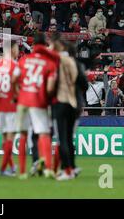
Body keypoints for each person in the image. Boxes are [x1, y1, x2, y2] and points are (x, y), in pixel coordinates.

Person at [13, 32, 59, 179]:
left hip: (23, 101)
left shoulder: (24, 60)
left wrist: (18, 93)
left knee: (23, 135)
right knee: (44, 134)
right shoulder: (49, 63)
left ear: (33, 46)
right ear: (45, 45)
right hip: (39, 102)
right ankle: (49, 169)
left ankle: (22, 171)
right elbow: (51, 88)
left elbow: (14, 79)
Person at [49, 36, 79, 181]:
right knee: (68, 138)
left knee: (62, 139)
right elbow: (75, 79)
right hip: (72, 102)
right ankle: (70, 169)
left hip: (60, 102)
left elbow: (50, 84)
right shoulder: (71, 61)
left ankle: (67, 170)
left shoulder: (55, 62)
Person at [0, 40, 19, 176]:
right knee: (10, 138)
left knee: (4, 138)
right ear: (13, 49)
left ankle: (12, 167)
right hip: (11, 105)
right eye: (17, 48)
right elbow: (18, 88)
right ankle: (3, 169)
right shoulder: (15, 66)